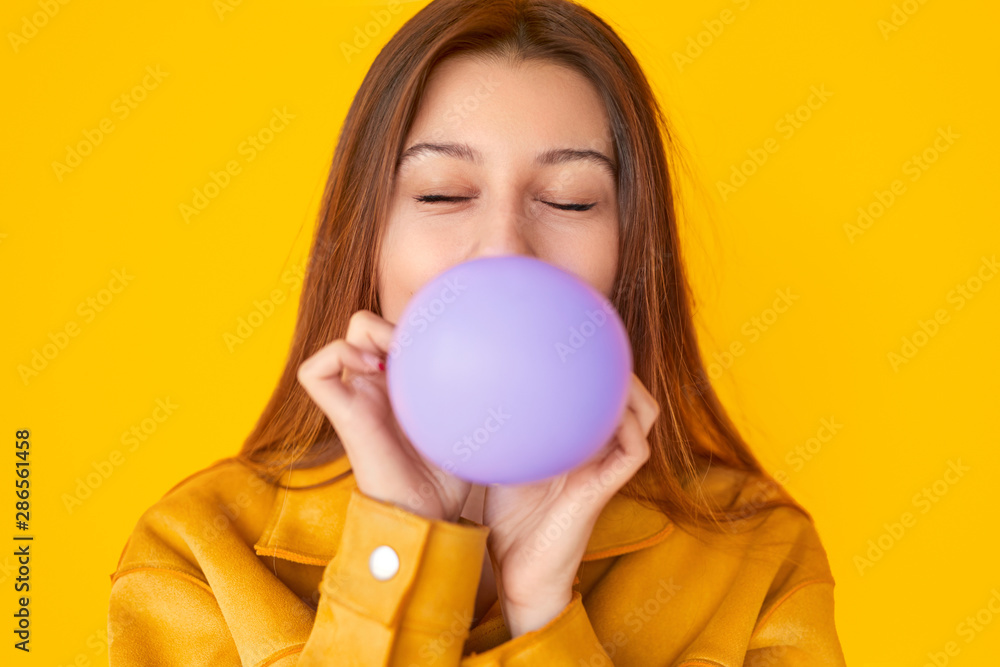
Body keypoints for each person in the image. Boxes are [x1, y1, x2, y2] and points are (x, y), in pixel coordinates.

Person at [107, 0, 848, 664]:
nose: (503, 249)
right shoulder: (199, 550)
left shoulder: (761, 561)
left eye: (568, 200)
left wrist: (544, 611)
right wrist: (401, 542)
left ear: (632, 249)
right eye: (442, 192)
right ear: (367, 236)